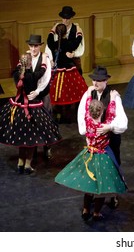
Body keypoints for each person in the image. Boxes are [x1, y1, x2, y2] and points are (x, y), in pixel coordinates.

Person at [55, 88, 127, 221]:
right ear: (101, 113)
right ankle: (96, 213)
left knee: (89, 187)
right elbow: (111, 113)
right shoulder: (103, 126)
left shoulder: (88, 121)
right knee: (101, 188)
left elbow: (88, 107)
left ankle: (86, 209)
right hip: (102, 157)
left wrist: (88, 94)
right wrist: (112, 99)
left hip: (89, 154)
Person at [0, 46, 62, 174]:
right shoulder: (33, 76)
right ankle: (27, 164)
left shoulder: (16, 75)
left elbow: (20, 71)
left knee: (22, 137)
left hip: (19, 107)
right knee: (31, 138)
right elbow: (43, 70)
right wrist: (45, 58)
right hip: (32, 107)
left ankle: (20, 163)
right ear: (29, 64)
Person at [78, 65, 128, 208]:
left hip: (110, 141)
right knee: (94, 169)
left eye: (99, 80)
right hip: (94, 143)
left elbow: (122, 121)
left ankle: (113, 195)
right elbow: (82, 114)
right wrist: (86, 132)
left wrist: (109, 127)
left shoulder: (113, 96)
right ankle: (93, 194)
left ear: (106, 80)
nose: (95, 83)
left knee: (113, 167)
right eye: (94, 80)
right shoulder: (89, 94)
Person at [47, 22, 87, 123]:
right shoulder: (69, 44)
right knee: (71, 92)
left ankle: (57, 113)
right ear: (65, 34)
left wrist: (52, 29)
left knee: (58, 93)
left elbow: (49, 38)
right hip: (69, 72)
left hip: (57, 72)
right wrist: (78, 30)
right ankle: (69, 114)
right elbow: (78, 40)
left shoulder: (53, 44)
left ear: (56, 33)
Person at [24, 34, 54, 161]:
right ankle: (34, 147)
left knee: (46, 121)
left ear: (40, 46)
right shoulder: (26, 57)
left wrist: (37, 91)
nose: (33, 48)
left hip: (42, 95)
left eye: (36, 46)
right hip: (31, 97)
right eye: (31, 46)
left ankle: (47, 147)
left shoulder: (44, 58)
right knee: (33, 123)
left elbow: (46, 78)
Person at [46, 6, 85, 75]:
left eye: (68, 18)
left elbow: (80, 45)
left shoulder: (76, 29)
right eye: (64, 18)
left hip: (73, 62)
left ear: (71, 18)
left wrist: (74, 54)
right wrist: (51, 59)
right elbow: (50, 46)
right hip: (58, 62)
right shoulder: (57, 28)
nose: (65, 20)